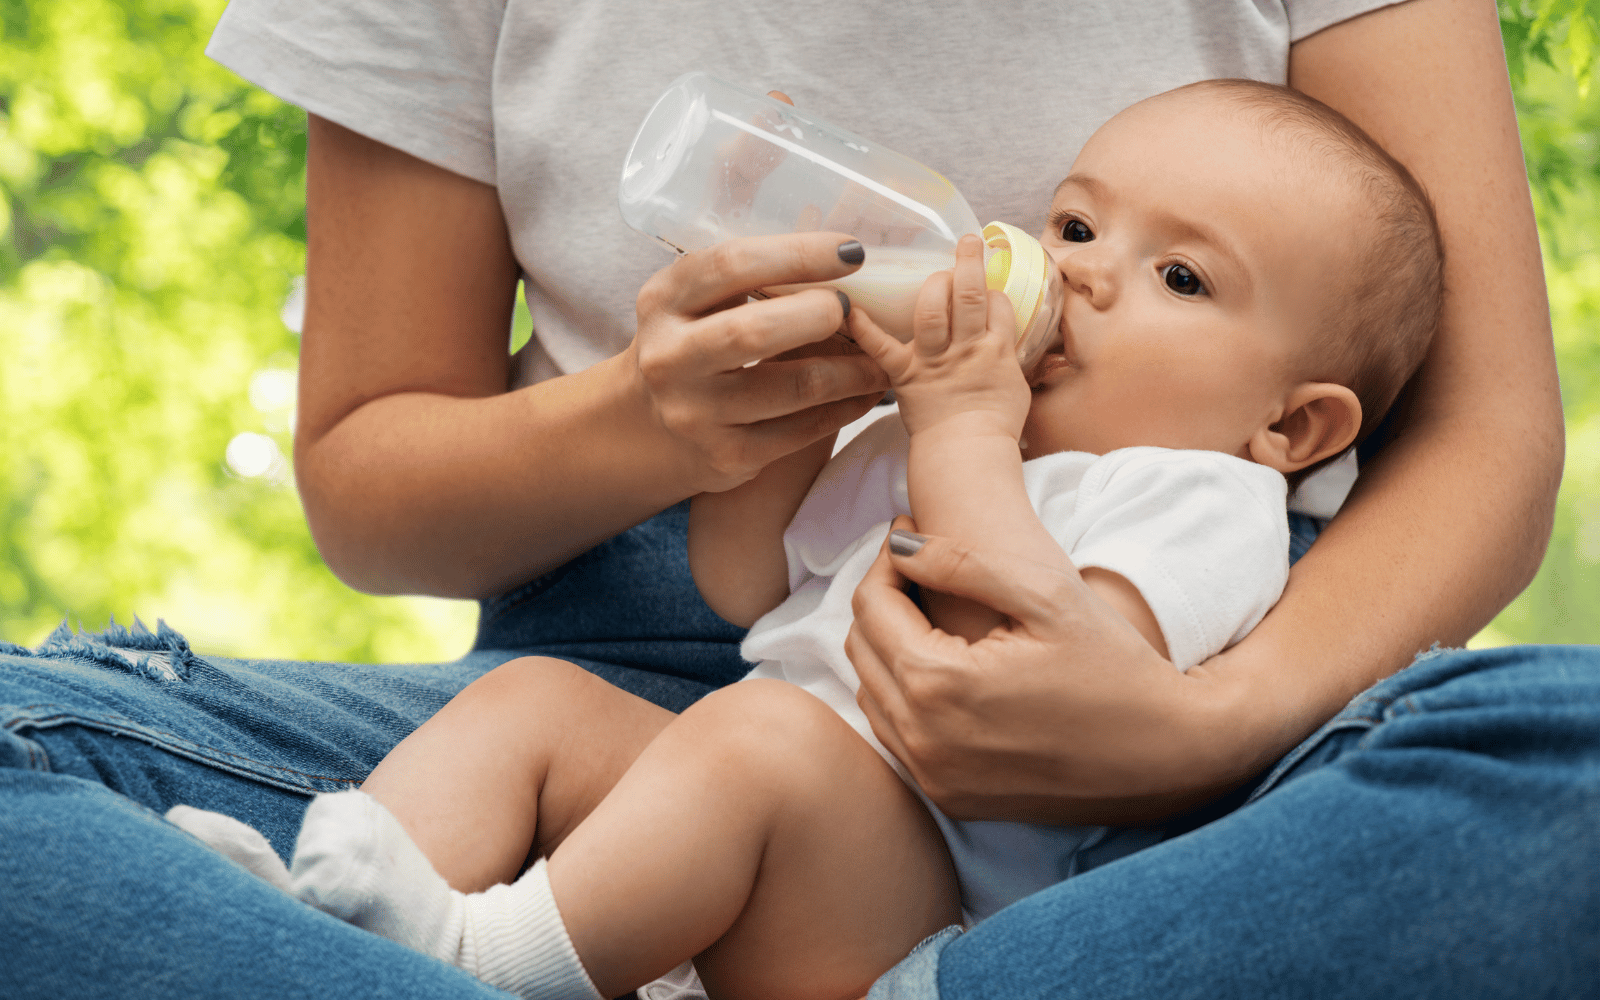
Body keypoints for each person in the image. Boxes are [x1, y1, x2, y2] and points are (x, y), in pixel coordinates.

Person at [2, 2, 1585, 998]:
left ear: (1290, 423)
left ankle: (494, 966)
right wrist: (715, 427)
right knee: (547, 708)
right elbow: (749, 586)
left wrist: (1206, 714)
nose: (1084, 277)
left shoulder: (1199, 506)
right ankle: (339, 926)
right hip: (707, 719)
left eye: (1173, 276)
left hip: (991, 859)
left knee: (1563, 772)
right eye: (1081, 227)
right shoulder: (963, 432)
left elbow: (996, 639)